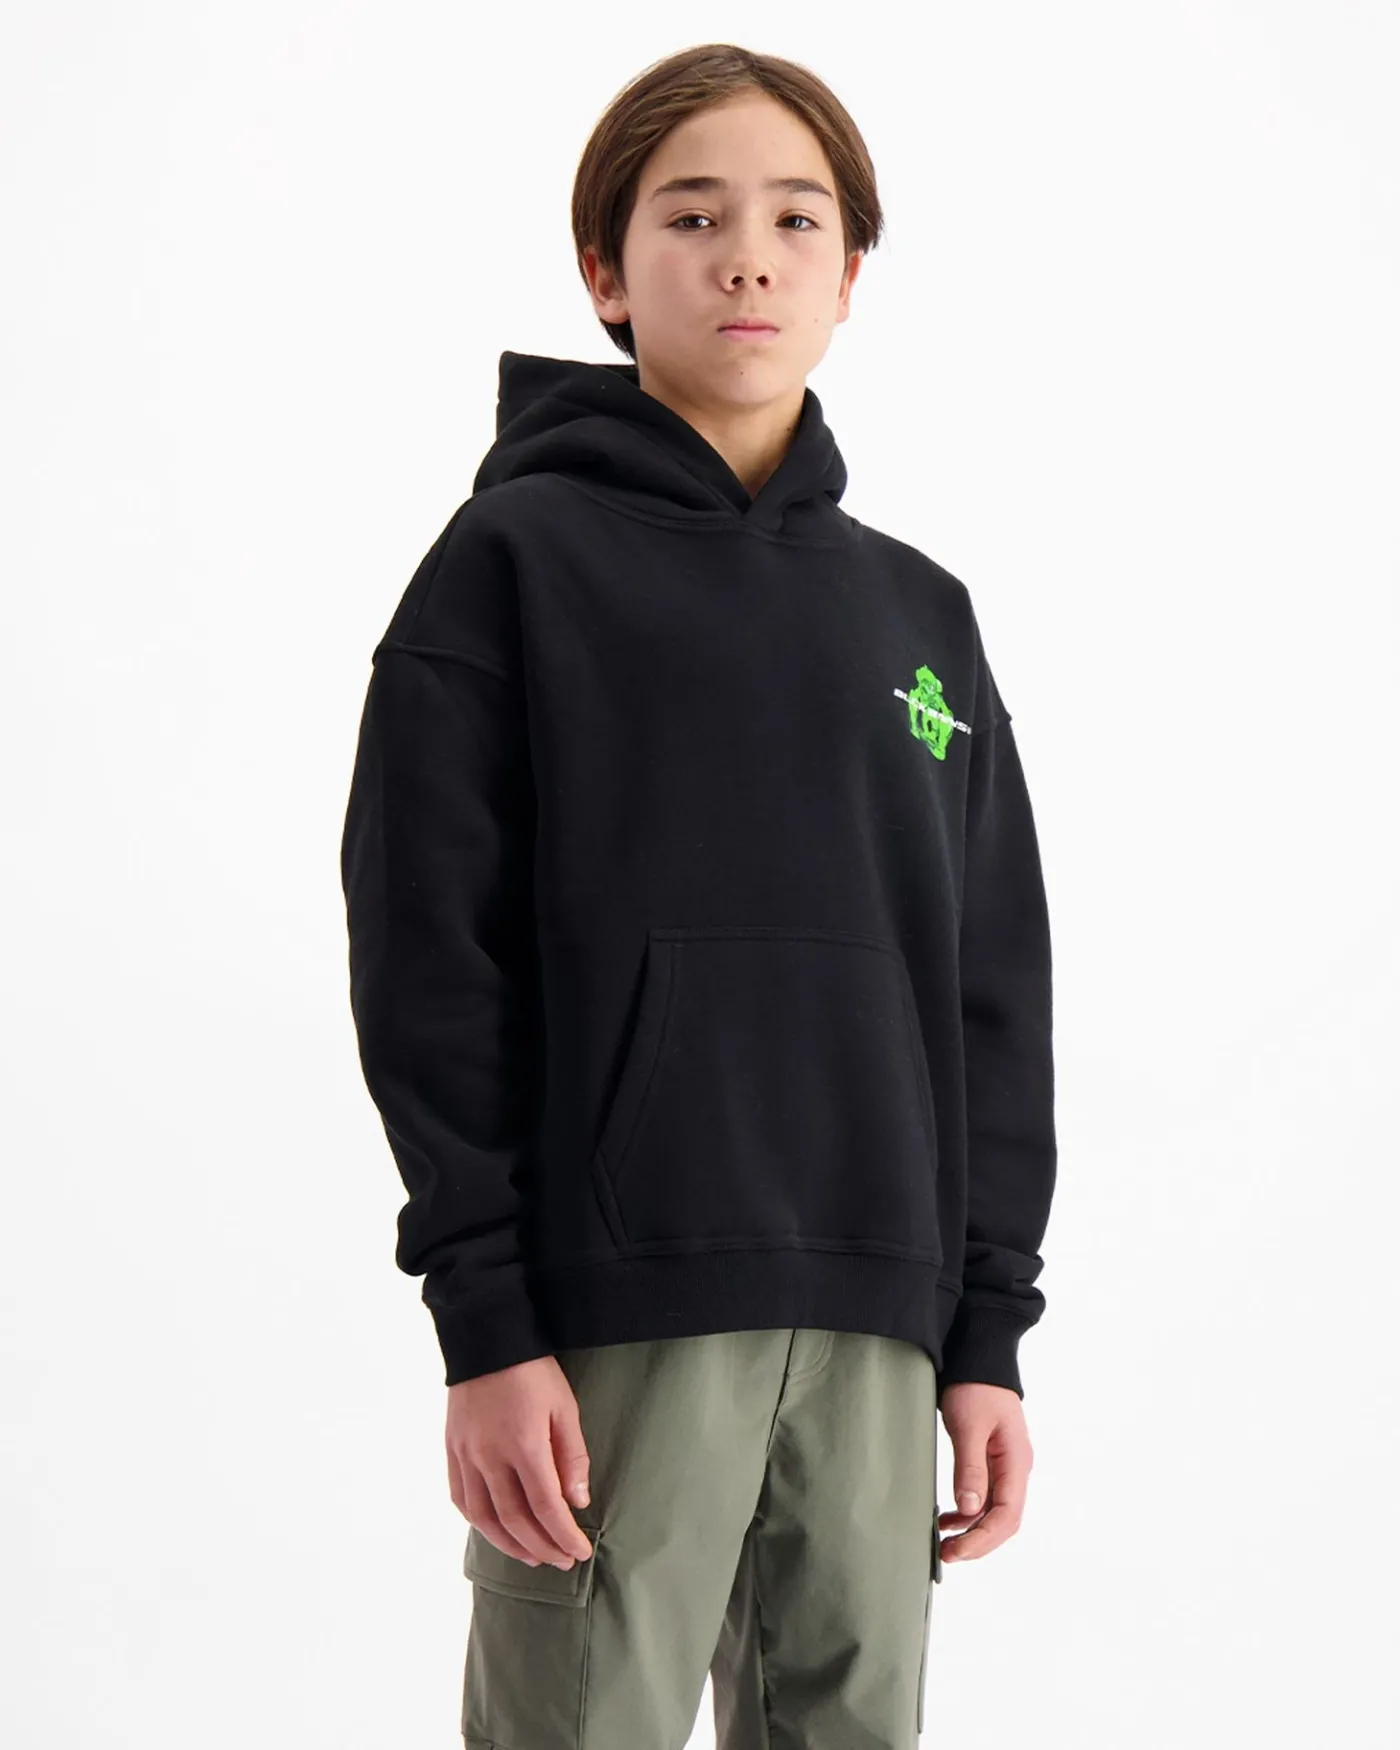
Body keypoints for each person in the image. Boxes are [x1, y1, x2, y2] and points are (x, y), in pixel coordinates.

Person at [339, 41, 1057, 1750]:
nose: (748, 257)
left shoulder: (922, 618)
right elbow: (430, 958)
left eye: (797, 220)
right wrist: (486, 1319)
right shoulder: (510, 566)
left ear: (850, 274)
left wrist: (985, 1327)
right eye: (693, 216)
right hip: (615, 1308)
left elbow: (989, 986)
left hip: (880, 1313)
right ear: (606, 270)